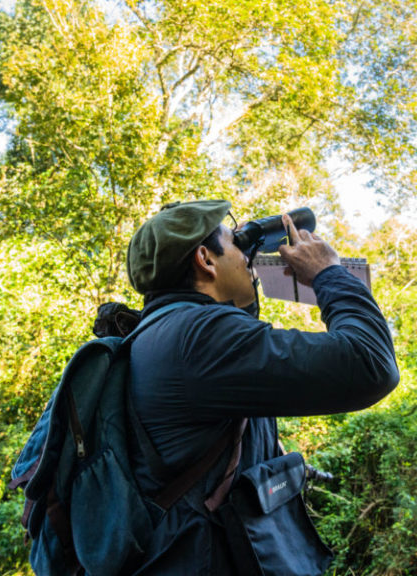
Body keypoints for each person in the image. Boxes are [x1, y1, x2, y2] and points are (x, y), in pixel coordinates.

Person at [125, 199, 399, 574]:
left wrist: (241, 284)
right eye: (237, 246)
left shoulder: (158, 333)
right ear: (205, 260)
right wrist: (328, 274)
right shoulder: (201, 339)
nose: (247, 259)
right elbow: (370, 364)